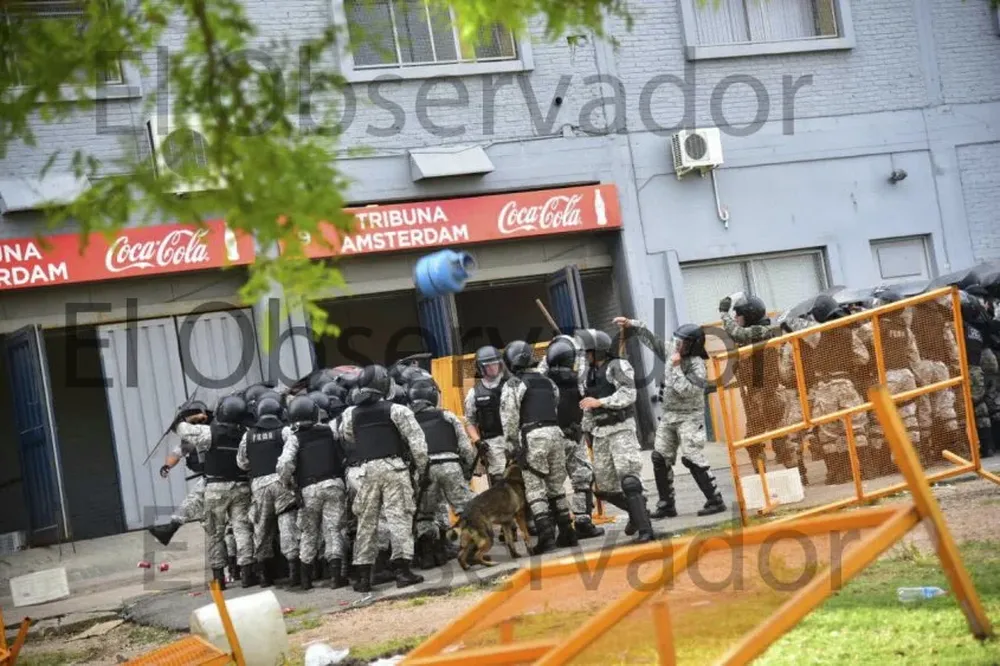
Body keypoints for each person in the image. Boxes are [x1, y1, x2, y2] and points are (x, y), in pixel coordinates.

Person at [617, 317, 726, 517]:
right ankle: (666, 504)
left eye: (682, 342)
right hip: (669, 415)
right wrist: (632, 325)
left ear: (693, 345)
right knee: (659, 457)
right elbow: (654, 342)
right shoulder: (673, 352)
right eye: (677, 340)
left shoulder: (696, 365)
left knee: (691, 457)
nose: (677, 344)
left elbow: (686, 391)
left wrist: (675, 368)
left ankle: (715, 499)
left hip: (689, 417)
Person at [336, 364, 429, 592]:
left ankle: (364, 576)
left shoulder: (350, 413)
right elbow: (418, 444)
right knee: (398, 517)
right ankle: (402, 571)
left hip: (366, 470)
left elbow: (347, 436)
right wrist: (421, 469)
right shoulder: (398, 410)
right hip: (394, 469)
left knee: (366, 522)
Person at [576, 327, 655, 542]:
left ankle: (645, 529)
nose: (586, 356)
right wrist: (585, 428)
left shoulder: (618, 365)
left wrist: (601, 402)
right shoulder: (589, 374)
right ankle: (637, 513)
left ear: (599, 351)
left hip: (621, 429)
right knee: (603, 487)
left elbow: (629, 393)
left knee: (629, 479)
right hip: (600, 433)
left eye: (589, 352)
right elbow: (587, 405)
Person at [718, 292, 805, 482]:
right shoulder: (752, 334)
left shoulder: (762, 331)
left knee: (774, 440)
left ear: (748, 316)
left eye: (738, 315)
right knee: (763, 440)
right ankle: (769, 480)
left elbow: (738, 332)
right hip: (758, 393)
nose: (735, 318)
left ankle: (796, 475)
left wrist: (723, 314)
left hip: (769, 393)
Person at [500, 340, 576, 554]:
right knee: (556, 487)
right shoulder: (547, 381)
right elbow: (555, 403)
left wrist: (512, 447)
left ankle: (546, 538)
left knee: (535, 489)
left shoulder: (514, 384)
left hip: (533, 435)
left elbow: (509, 418)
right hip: (555, 433)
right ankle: (567, 533)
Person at [176, 394, 255, 589]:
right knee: (242, 529)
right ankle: (247, 573)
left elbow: (182, 430)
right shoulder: (247, 434)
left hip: (215, 488)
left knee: (215, 533)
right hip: (241, 487)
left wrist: (188, 418)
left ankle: (219, 577)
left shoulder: (210, 432)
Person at [277, 395, 348, 591]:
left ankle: (306, 580)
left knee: (309, 532)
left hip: (308, 489)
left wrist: (289, 484)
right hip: (333, 484)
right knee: (333, 530)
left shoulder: (295, 438)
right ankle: (336, 577)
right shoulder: (330, 431)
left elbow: (284, 464)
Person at [801, 295, 871, 485]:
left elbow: (799, 328)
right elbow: (863, 358)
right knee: (856, 428)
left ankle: (837, 473)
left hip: (824, 387)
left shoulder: (816, 333)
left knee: (829, 433)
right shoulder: (849, 333)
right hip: (846, 382)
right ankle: (864, 469)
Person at [409, 378, 477, 569]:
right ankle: (471, 550)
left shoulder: (409, 420)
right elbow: (465, 446)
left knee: (425, 514)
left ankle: (428, 555)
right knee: (467, 509)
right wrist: (468, 469)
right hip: (450, 464)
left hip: (426, 469)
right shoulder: (447, 415)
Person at [541, 335, 604, 539]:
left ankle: (581, 522)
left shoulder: (575, 379)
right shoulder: (544, 382)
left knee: (582, 477)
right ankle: (566, 525)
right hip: (556, 438)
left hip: (572, 435)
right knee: (558, 484)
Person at [237, 396, 301, 589]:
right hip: (281, 482)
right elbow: (293, 455)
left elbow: (242, 462)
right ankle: (294, 572)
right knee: (287, 523)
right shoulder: (284, 431)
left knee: (262, 528)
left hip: (259, 485)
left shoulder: (247, 436)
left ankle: (264, 576)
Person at [149, 399, 212, 547]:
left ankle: (171, 529)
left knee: (194, 501)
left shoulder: (214, 430)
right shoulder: (193, 437)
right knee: (196, 505)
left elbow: (195, 422)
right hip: (211, 478)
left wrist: (191, 419)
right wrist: (167, 466)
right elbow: (178, 453)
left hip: (225, 479)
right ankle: (171, 529)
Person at [464, 346, 509, 487]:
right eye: (488, 365)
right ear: (481, 368)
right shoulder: (474, 393)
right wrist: (477, 441)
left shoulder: (511, 385)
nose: (493, 368)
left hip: (514, 438)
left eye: (495, 364)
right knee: (499, 480)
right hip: (492, 442)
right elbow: (469, 421)